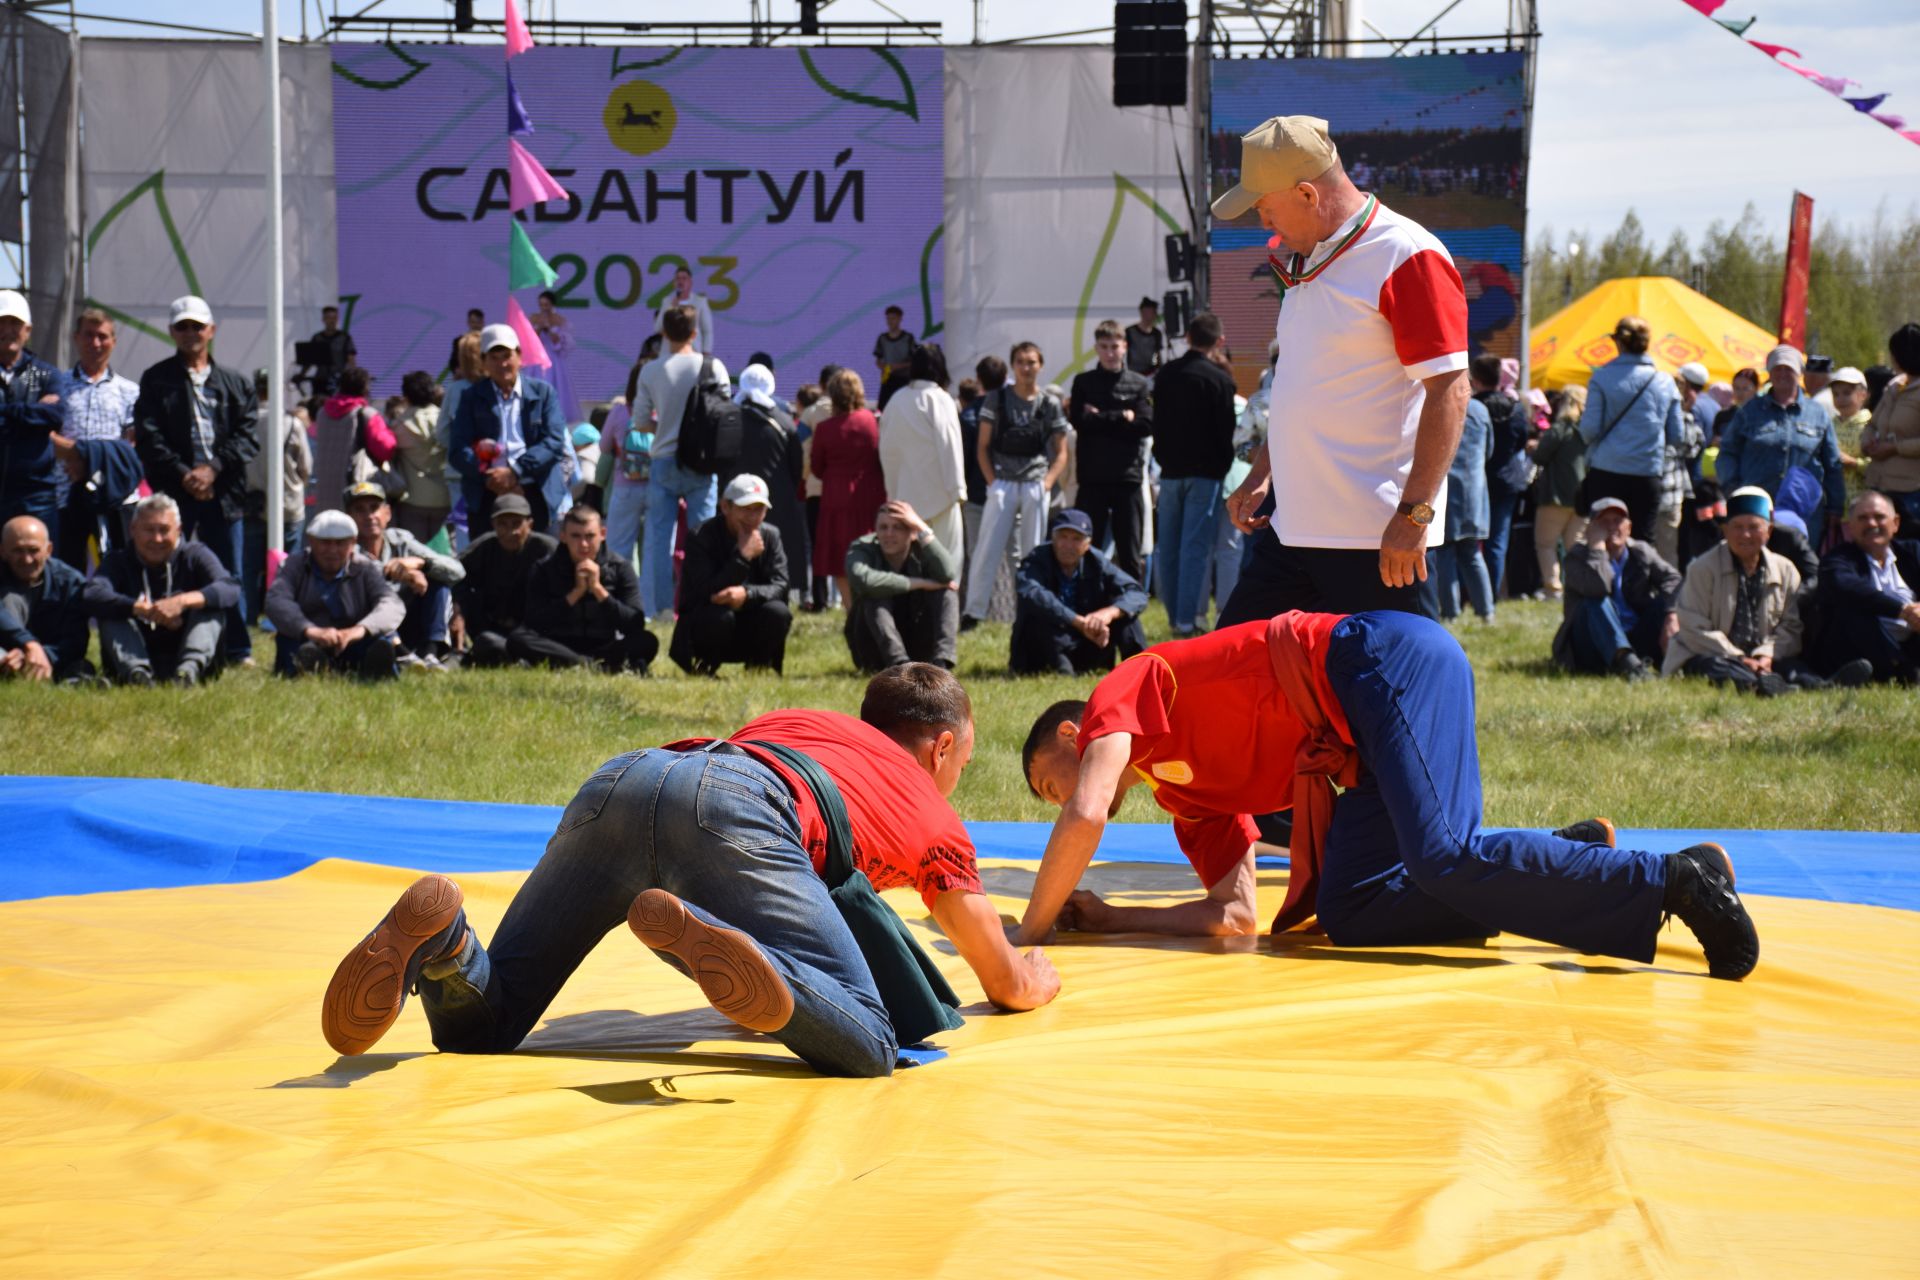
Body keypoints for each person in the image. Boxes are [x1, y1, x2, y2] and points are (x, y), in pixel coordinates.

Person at [319, 664, 1060, 1076]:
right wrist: (1035, 975)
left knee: (484, 1027)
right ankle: (761, 978)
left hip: (631, 779)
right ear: (940, 749)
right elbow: (998, 976)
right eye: (962, 760)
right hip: (736, 813)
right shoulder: (929, 811)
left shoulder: (805, 722)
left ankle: (447, 944)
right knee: (869, 1039)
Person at [1012, 611, 1760, 984]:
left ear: (1078, 732)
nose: (1065, 800)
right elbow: (1235, 917)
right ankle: (1564, 860)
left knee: (1443, 860)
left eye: (1053, 778)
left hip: (1379, 660)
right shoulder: (1188, 802)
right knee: (1354, 912)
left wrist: (1030, 931)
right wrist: (1111, 919)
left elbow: (1084, 813)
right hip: (1359, 742)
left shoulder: (1128, 686)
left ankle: (1671, 880)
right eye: (1051, 796)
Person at [1211, 116, 1469, 625]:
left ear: (1307, 194)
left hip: (1377, 545)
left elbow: (1450, 391)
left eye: (1265, 206)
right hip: (1291, 535)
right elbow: (1298, 389)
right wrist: (1262, 474)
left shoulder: (1406, 254)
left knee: (1386, 701)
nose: (1264, 223)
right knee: (1232, 681)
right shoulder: (1308, 261)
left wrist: (1414, 516)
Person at [132, 295, 259, 669]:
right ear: (172, 331)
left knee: (229, 570)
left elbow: (247, 436)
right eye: (182, 326)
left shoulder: (235, 382)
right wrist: (184, 473)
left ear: (211, 331)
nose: (191, 333)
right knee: (169, 565)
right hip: (174, 492)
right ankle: (173, 642)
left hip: (224, 493)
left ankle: (238, 649)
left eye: (197, 326)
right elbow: (149, 434)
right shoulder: (157, 379)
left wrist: (213, 469)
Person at [1662, 487, 1815, 696]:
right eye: (1737, 527)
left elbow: (1791, 626)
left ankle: (1819, 684)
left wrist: (1766, 655)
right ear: (1725, 530)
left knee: (1793, 667)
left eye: (1754, 527)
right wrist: (1739, 658)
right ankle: (1772, 686)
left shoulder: (1785, 569)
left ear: (1769, 531)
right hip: (1714, 654)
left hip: (1764, 656)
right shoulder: (1702, 569)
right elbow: (1693, 628)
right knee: (1718, 668)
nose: (1745, 535)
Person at [962, 342, 1068, 629]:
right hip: (1003, 481)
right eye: (1020, 362)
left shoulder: (1049, 403)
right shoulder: (997, 399)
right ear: (1013, 366)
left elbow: (1061, 451)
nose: (1026, 368)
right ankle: (974, 611)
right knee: (987, 548)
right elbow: (982, 446)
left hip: (1035, 482)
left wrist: (1047, 482)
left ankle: (1032, 608)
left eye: (1031, 362)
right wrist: (993, 481)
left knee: (1032, 551)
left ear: (1040, 365)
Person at [83, 494, 239, 687]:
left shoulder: (195, 555)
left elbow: (230, 588)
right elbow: (92, 594)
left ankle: (187, 674)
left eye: (164, 530)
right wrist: (141, 609)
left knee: (211, 605)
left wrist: (181, 602)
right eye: (149, 530)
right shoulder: (118, 560)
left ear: (179, 530)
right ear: (133, 530)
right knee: (111, 610)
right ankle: (137, 676)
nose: (157, 539)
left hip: (187, 652)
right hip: (134, 655)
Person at [634, 305, 728, 618]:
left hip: (663, 458)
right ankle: (698, 604)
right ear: (694, 333)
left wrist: (664, 426)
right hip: (702, 461)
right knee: (703, 538)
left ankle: (661, 608)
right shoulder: (712, 366)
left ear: (663, 332)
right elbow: (724, 414)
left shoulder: (649, 370)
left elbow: (641, 422)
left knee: (659, 540)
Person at [1149, 314, 1239, 634]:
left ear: (1187, 337)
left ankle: (1175, 616)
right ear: (1219, 342)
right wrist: (1221, 466)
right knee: (1194, 549)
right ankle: (1186, 620)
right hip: (1206, 475)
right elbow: (1225, 432)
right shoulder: (1221, 380)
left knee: (1168, 548)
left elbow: (1156, 422)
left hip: (1170, 471)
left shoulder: (1166, 375)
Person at [448, 323, 568, 539]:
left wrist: (515, 471)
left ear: (520, 356)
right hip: (487, 492)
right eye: (493, 358)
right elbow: (458, 449)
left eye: (507, 355)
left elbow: (554, 441)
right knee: (489, 566)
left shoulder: (543, 393)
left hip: (535, 491)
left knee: (541, 564)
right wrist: (489, 476)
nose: (502, 363)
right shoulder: (471, 397)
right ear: (483, 361)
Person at [1718, 344, 1846, 540]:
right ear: (1769, 372)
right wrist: (1733, 489)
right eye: (1778, 368)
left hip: (1804, 512)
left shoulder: (1818, 413)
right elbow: (1727, 453)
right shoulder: (1749, 411)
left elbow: (1832, 463)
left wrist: (1835, 507)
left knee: (1801, 565)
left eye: (1789, 369)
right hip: (1756, 507)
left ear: (1800, 373)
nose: (1783, 373)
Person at [510, 504, 656, 673]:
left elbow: (634, 624)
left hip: (605, 646)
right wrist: (574, 594)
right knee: (517, 639)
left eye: (590, 536)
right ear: (563, 536)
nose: (584, 544)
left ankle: (582, 665)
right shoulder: (545, 568)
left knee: (647, 641)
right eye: (576, 536)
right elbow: (534, 622)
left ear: (602, 534)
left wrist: (599, 590)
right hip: (559, 646)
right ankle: (591, 666)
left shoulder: (620, 567)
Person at [670, 474, 792, 676]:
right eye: (745, 509)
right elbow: (703, 590)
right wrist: (743, 557)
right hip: (711, 624)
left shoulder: (771, 535)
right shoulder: (700, 536)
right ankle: (704, 667)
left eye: (759, 510)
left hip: (750, 622)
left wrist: (747, 594)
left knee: (778, 612)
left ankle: (759, 667)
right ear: (726, 507)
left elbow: (781, 585)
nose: (753, 517)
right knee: (718, 616)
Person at [1573, 316, 1685, 537]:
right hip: (1647, 472)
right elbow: (1677, 435)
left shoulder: (1602, 378)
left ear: (1619, 342)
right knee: (1642, 543)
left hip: (1606, 471)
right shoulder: (1664, 381)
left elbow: (1588, 430)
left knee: (1602, 539)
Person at [263, 508, 403, 679]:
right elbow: (277, 600)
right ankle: (309, 666)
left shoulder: (365, 567)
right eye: (325, 542)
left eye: (340, 543)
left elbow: (390, 603)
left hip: (353, 640)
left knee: (379, 642)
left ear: (352, 543)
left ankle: (372, 670)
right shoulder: (294, 564)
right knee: (290, 641)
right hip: (307, 637)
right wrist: (310, 630)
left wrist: (359, 630)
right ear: (311, 541)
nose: (332, 550)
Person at [1551, 497, 1681, 680]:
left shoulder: (1640, 551)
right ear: (1591, 529)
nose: (1611, 527)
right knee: (1597, 601)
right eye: (1604, 522)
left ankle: (1677, 659)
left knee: (1665, 603)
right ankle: (1629, 664)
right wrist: (1597, 548)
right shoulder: (1576, 557)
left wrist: (1671, 614)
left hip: (1634, 636)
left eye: (1617, 521)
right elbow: (1598, 587)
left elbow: (1674, 579)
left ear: (1628, 527)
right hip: (1590, 643)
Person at [53, 307, 142, 569]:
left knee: (120, 568)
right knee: (70, 569)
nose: (95, 343)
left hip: (117, 496)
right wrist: (80, 461)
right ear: (76, 338)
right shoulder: (58, 385)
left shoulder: (129, 391)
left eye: (102, 336)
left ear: (113, 342)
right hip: (66, 493)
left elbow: (131, 447)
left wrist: (88, 460)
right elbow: (48, 438)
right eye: (89, 335)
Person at [1010, 507, 1148, 675]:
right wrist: (1077, 621)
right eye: (1063, 537)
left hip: (1090, 641)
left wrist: (1108, 614)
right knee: (1037, 610)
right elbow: (1031, 592)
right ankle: (1059, 669)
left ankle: (1141, 671)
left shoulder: (1097, 561)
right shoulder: (1036, 559)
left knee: (1126, 612)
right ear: (1052, 539)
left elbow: (1137, 592)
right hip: (1047, 647)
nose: (1068, 545)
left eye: (1076, 539)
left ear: (1087, 545)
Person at [1067, 320, 1154, 583]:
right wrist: (1122, 416)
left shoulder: (1137, 383)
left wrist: (1102, 417)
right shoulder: (1084, 382)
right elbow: (1079, 422)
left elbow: (1145, 425)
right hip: (1092, 477)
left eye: (1114, 346)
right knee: (1086, 546)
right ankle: (1086, 599)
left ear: (1124, 347)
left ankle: (1129, 609)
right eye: (1104, 347)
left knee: (1129, 549)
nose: (1110, 352)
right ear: (1096, 349)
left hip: (1127, 478)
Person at [344, 480, 463, 668]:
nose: (369, 516)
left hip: (410, 621)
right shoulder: (347, 549)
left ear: (387, 513)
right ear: (348, 518)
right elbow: (359, 579)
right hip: (376, 629)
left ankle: (431, 655)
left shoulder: (400, 539)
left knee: (439, 584)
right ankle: (402, 656)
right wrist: (405, 575)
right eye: (360, 509)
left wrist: (423, 564)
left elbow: (457, 571)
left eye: (374, 508)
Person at [1806, 490, 1920, 684]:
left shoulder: (1913, 551)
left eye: (1879, 517)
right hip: (1859, 651)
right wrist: (1902, 610)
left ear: (1896, 523)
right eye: (1863, 518)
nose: (1872, 524)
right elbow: (1846, 586)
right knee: (1852, 610)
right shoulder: (1837, 558)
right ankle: (1903, 673)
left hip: (1910, 642)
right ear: (1850, 527)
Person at [845, 499, 959, 672]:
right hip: (874, 650)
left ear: (912, 532)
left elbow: (948, 573)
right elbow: (865, 580)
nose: (889, 534)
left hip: (918, 642)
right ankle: (899, 665)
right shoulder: (862, 548)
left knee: (946, 593)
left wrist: (922, 528)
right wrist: (920, 583)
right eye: (883, 527)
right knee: (874, 596)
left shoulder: (921, 547)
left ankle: (942, 664)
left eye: (897, 527)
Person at [877, 343, 966, 563]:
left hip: (905, 501)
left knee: (910, 565)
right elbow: (950, 445)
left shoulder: (896, 401)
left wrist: (893, 492)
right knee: (948, 563)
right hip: (942, 498)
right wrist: (957, 490)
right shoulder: (940, 399)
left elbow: (886, 452)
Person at [810, 368, 887, 611]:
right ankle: (870, 606)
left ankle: (850, 608)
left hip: (836, 497)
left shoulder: (824, 428)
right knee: (870, 551)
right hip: (870, 494)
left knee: (839, 555)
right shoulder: (873, 422)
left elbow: (816, 467)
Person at [0, 290, 70, 549]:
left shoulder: (46, 373)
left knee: (40, 564)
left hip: (37, 492)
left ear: (27, 330)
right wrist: (32, 412)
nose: (7, 330)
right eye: (1, 322)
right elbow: (44, 416)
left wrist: (8, 411)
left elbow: (56, 415)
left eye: (14, 323)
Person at [240, 370, 311, 622]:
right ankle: (282, 616)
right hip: (287, 506)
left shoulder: (243, 422)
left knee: (248, 568)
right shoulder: (291, 423)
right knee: (288, 567)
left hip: (251, 505)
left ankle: (247, 616)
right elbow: (306, 468)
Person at [453, 493, 554, 668]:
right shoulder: (484, 547)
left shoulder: (547, 549)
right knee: (487, 640)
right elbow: (453, 574)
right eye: (503, 524)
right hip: (492, 624)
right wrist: (457, 611)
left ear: (529, 524)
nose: (510, 532)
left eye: (516, 524)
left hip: (533, 629)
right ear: (493, 525)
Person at [731, 362, 809, 583]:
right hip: (778, 497)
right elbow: (797, 465)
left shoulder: (730, 417)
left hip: (737, 497)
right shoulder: (784, 421)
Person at [0, 514, 89, 682]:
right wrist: (29, 643)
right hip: (6, 653)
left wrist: (38, 655)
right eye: (18, 550)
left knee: (80, 666)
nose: (26, 559)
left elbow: (76, 640)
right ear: (2, 551)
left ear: (48, 550)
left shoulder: (70, 582)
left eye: (34, 551)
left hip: (52, 656)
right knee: (9, 599)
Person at [1470, 353, 1529, 599]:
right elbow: (1521, 443)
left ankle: (1471, 597)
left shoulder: (1471, 408)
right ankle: (1492, 596)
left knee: (1468, 545)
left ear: (1475, 379)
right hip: (1506, 481)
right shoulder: (1516, 410)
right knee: (1497, 542)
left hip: (1475, 480)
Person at [1436, 394, 1494, 622]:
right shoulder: (1480, 410)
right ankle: (1486, 611)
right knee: (1471, 553)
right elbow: (1489, 450)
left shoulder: (1438, 402)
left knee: (1445, 553)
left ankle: (1450, 612)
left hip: (1446, 487)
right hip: (1473, 488)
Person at [1528, 384, 1588, 599]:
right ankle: (1577, 586)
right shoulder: (1590, 430)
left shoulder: (1560, 428)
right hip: (1582, 496)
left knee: (1546, 544)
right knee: (1576, 546)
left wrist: (1533, 446)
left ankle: (1553, 589)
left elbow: (1539, 457)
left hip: (1555, 496)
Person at [1860, 324, 1920, 529]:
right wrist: (1867, 441)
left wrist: (1895, 447)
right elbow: (1873, 423)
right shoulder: (1893, 387)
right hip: (1879, 485)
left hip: (1911, 492)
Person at [388, 371, 450, 541]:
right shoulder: (444, 420)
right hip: (444, 497)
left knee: (414, 554)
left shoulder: (399, 426)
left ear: (406, 395)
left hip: (412, 499)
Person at [797, 365, 839, 610]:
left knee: (817, 545)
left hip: (815, 488)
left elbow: (801, 447)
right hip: (841, 489)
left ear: (822, 385)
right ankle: (841, 599)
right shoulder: (851, 413)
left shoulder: (810, 414)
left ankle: (821, 599)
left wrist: (806, 476)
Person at [653, 264, 715, 354]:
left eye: (684, 278)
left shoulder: (700, 302)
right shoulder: (667, 302)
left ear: (690, 282)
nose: (680, 281)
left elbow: (707, 331)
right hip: (669, 354)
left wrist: (706, 352)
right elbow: (657, 328)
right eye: (677, 279)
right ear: (674, 283)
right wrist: (670, 308)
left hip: (693, 352)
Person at [302, 305, 356, 397]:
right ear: (323, 319)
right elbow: (310, 360)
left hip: (338, 380)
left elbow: (351, 359)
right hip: (320, 379)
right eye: (329, 318)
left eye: (334, 318)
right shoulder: (317, 338)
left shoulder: (344, 337)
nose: (332, 321)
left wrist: (353, 376)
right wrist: (302, 374)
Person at [872, 304, 917, 409]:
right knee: (883, 409)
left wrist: (898, 366)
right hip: (887, 381)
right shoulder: (882, 339)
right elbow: (878, 360)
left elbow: (914, 360)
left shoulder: (908, 338)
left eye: (893, 318)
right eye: (888, 318)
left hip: (904, 381)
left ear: (900, 319)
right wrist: (884, 367)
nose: (890, 321)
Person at [1123, 296, 1166, 378]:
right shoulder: (1129, 331)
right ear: (1142, 312)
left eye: (1154, 312)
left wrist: (1160, 370)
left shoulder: (1157, 333)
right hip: (1133, 373)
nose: (1152, 315)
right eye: (1150, 312)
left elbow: (1157, 354)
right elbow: (1122, 353)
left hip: (1152, 373)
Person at [448, 308, 485, 378]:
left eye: (478, 322)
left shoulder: (488, 340)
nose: (476, 325)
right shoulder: (459, 341)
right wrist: (457, 370)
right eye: (473, 322)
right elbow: (453, 363)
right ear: (468, 323)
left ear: (483, 323)